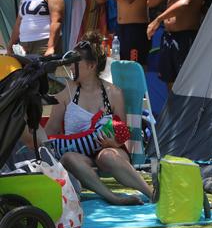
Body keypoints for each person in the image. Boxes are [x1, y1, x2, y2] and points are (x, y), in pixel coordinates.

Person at [37, 32, 153, 205]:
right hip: (79, 156)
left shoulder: (113, 93)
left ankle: (152, 194)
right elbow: (50, 131)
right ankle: (112, 197)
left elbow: (124, 135)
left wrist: (113, 143)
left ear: (91, 66)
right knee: (69, 157)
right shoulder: (66, 92)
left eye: (74, 63)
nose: (69, 68)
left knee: (107, 156)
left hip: (110, 151)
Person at [147, 0, 206, 91]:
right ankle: (173, 112)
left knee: (185, 81)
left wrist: (158, 19)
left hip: (186, 37)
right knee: (169, 80)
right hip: (168, 36)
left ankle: (185, 113)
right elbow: (150, 1)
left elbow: (184, 3)